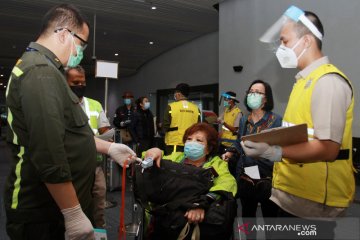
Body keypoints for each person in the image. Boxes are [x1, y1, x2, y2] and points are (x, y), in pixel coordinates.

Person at [4, 4, 137, 240]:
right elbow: (48, 149)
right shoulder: (40, 71)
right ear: (64, 34)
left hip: (55, 205)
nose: (81, 52)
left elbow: (69, 133)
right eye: (82, 44)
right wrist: (73, 212)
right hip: (43, 210)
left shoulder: (48, 71)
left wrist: (109, 147)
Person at [243, 5, 355, 238]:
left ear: (305, 41)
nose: (281, 48)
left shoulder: (327, 82)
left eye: (284, 41)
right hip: (292, 195)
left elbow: (328, 147)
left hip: (312, 201)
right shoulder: (304, 82)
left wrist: (273, 152)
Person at [145, 123, 237, 240]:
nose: (192, 143)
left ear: (209, 149)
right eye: (189, 139)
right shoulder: (176, 157)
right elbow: (149, 159)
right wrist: (154, 150)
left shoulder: (216, 164)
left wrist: (200, 204)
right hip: (166, 220)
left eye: (199, 140)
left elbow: (228, 184)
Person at [223, 80, 282, 239]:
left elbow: (281, 150)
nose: (252, 95)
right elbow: (239, 142)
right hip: (246, 175)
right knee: (247, 218)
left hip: (267, 177)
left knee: (270, 220)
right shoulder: (244, 120)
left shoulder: (276, 120)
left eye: (258, 92)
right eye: (251, 91)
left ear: (266, 99)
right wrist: (231, 152)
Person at [66, 65, 111, 228]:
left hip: (95, 166)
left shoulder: (95, 105)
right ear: (65, 83)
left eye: (83, 82)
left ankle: (98, 234)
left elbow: (104, 130)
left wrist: (108, 139)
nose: (80, 86)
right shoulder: (59, 105)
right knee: (74, 209)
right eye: (75, 82)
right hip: (72, 167)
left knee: (98, 206)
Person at [163, 83, 200, 155]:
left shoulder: (171, 107)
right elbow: (198, 126)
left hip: (174, 143)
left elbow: (165, 126)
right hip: (191, 143)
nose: (175, 95)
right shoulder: (196, 108)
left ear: (178, 94)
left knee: (173, 165)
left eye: (175, 93)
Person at [217, 91, 242, 161]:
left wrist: (223, 122)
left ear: (231, 100)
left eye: (225, 99)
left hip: (232, 144)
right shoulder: (226, 110)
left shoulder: (238, 112)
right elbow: (224, 128)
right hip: (223, 142)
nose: (224, 101)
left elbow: (234, 129)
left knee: (229, 166)